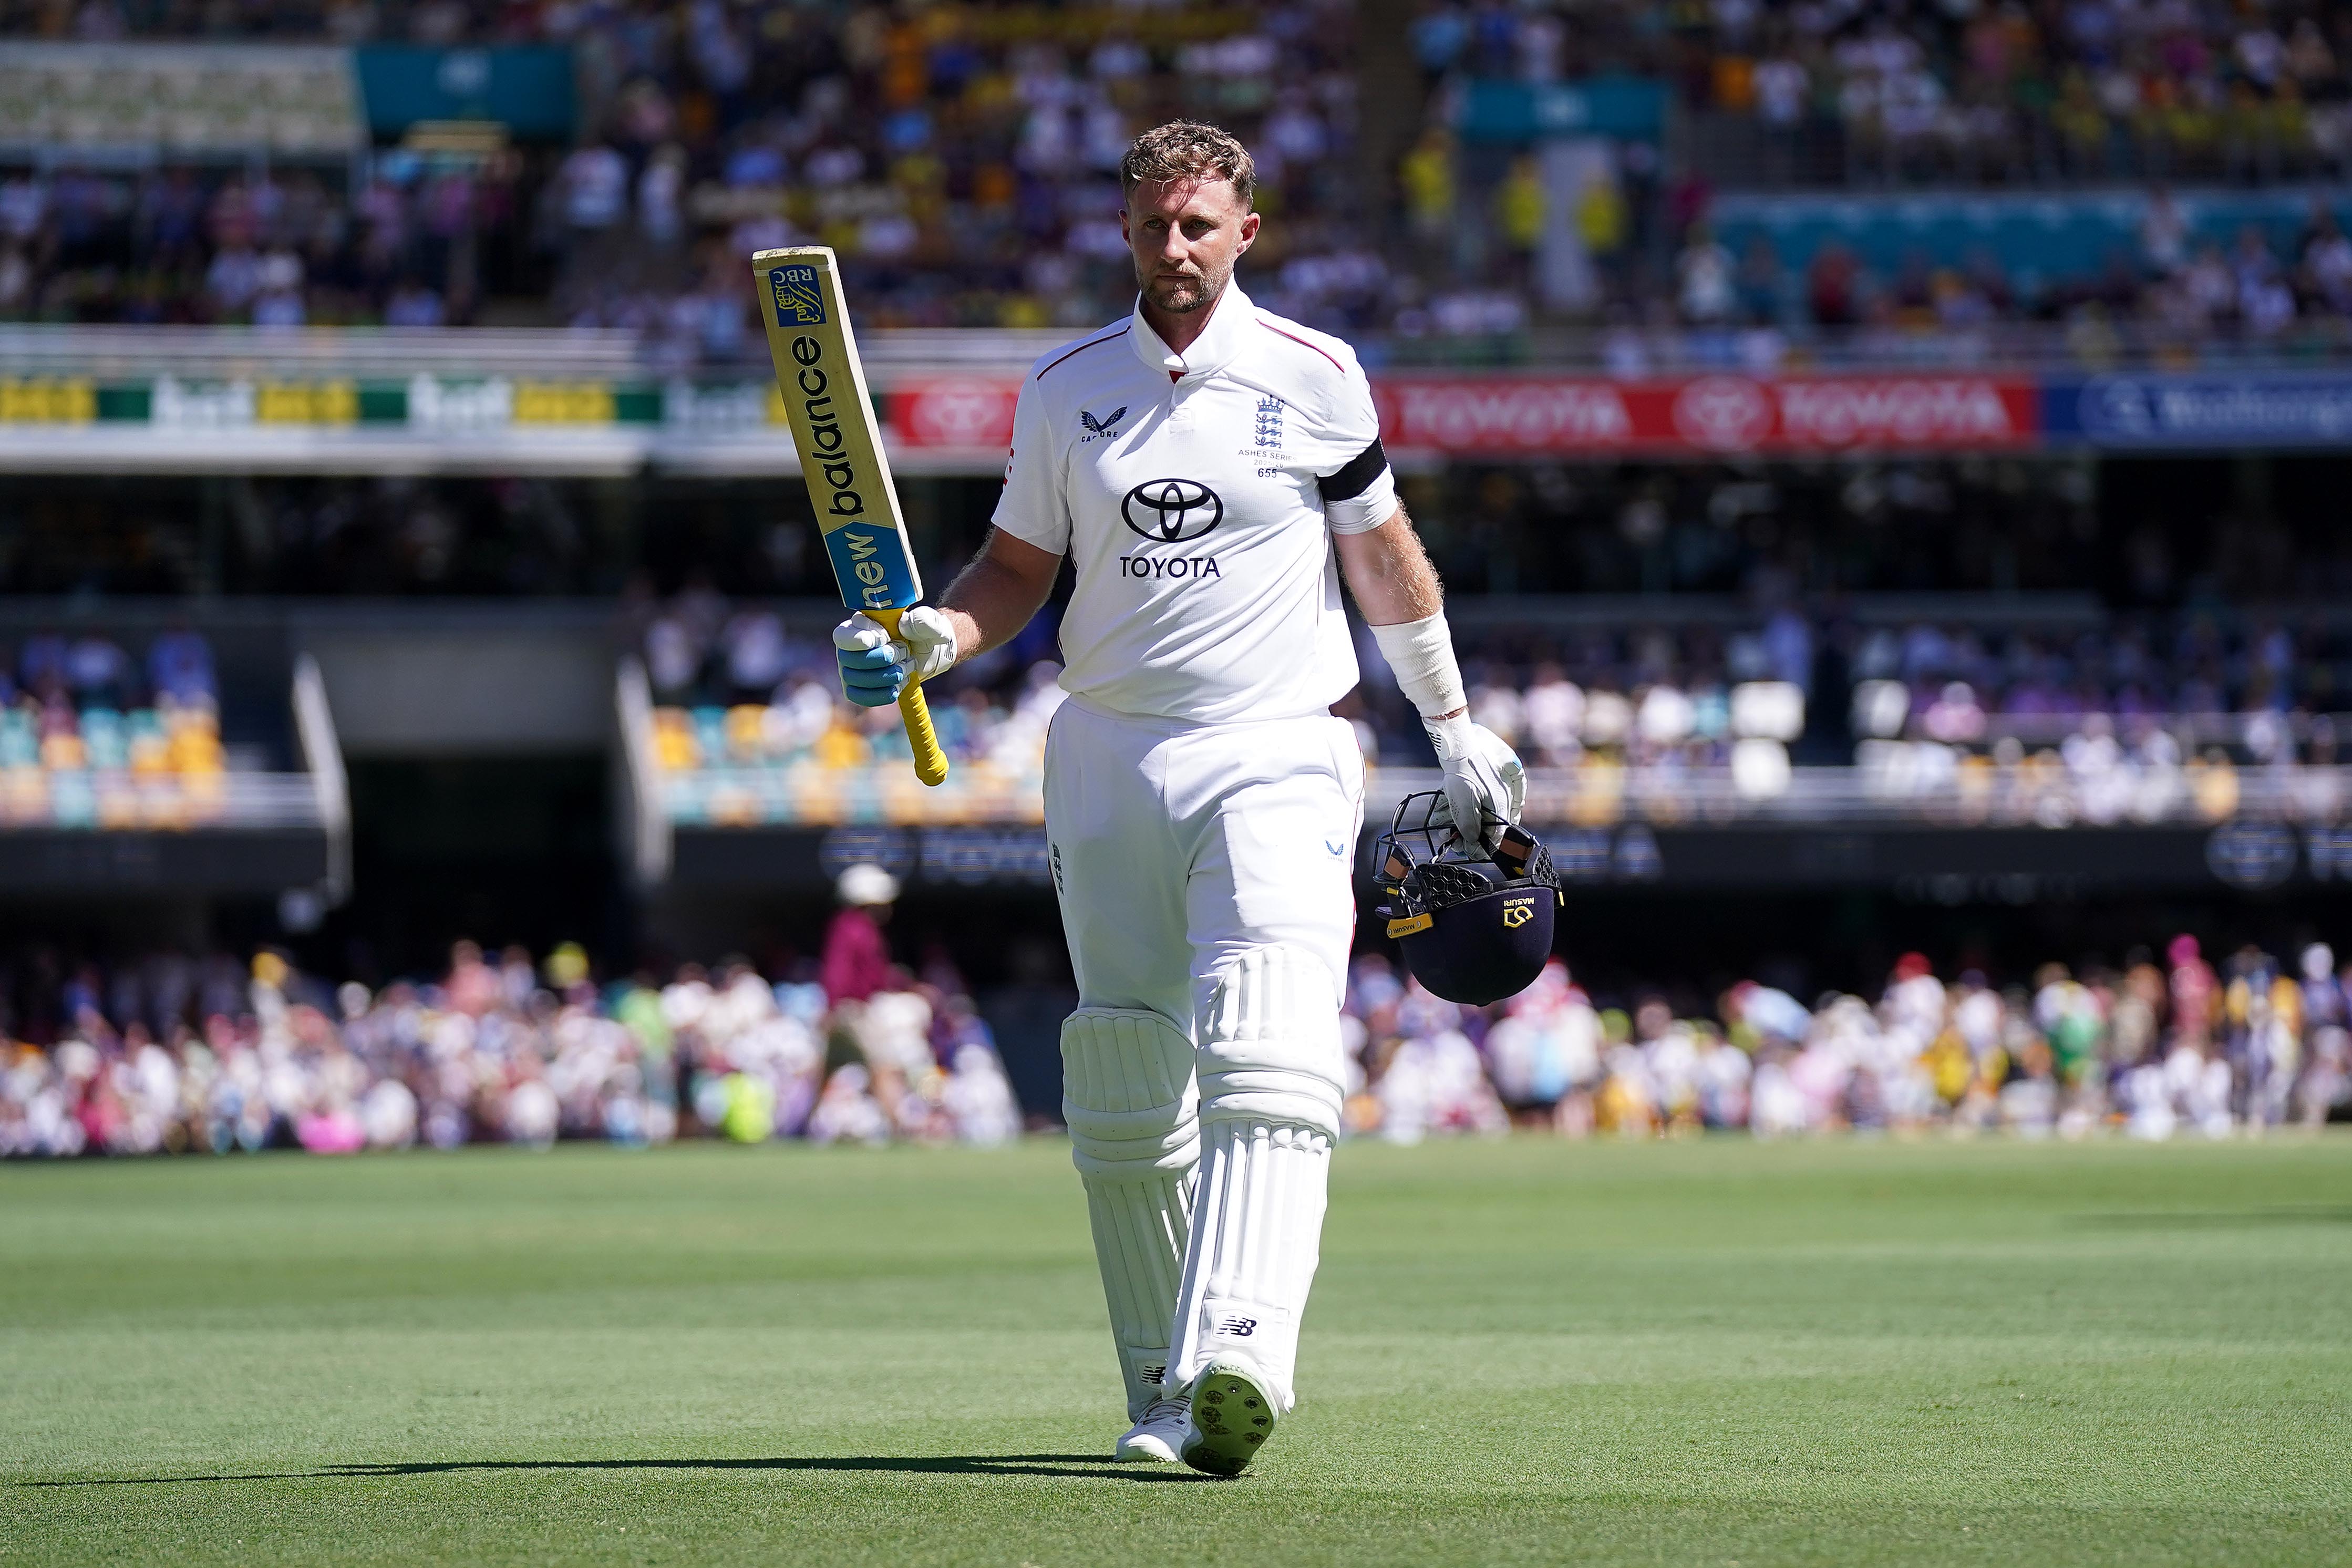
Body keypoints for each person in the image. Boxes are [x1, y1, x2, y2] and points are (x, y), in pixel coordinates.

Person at [829, 121, 1522, 1476]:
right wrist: (934, 640)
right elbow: (1016, 570)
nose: (1175, 247)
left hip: (1279, 745)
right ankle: (1164, 1395)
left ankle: (1239, 1355)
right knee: (1125, 1076)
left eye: (1199, 224)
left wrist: (1451, 722)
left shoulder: (1316, 371)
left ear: (1245, 230)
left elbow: (1382, 556)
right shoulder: (1065, 386)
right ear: (1125, 229)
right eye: (1153, 224)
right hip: (1106, 751)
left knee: (1268, 1051)